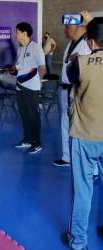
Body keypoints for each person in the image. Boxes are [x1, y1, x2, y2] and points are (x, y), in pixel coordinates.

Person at [62, 16, 103, 250]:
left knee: (83, 190)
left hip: (84, 135)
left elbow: (67, 78)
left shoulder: (81, 63)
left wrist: (78, 55)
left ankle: (78, 242)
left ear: (90, 41)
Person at [52, 12, 91, 167]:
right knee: (65, 122)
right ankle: (67, 156)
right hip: (65, 89)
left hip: (79, 90)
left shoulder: (88, 43)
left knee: (83, 126)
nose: (65, 29)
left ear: (79, 26)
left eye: (68, 26)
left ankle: (92, 168)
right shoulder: (70, 44)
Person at [13, 22, 45, 154]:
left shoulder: (36, 48)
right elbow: (20, 66)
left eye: (17, 32)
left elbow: (42, 67)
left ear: (24, 33)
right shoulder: (20, 49)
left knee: (33, 116)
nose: (16, 34)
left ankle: (37, 143)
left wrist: (38, 82)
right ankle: (27, 139)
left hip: (32, 88)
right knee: (24, 114)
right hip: (20, 87)